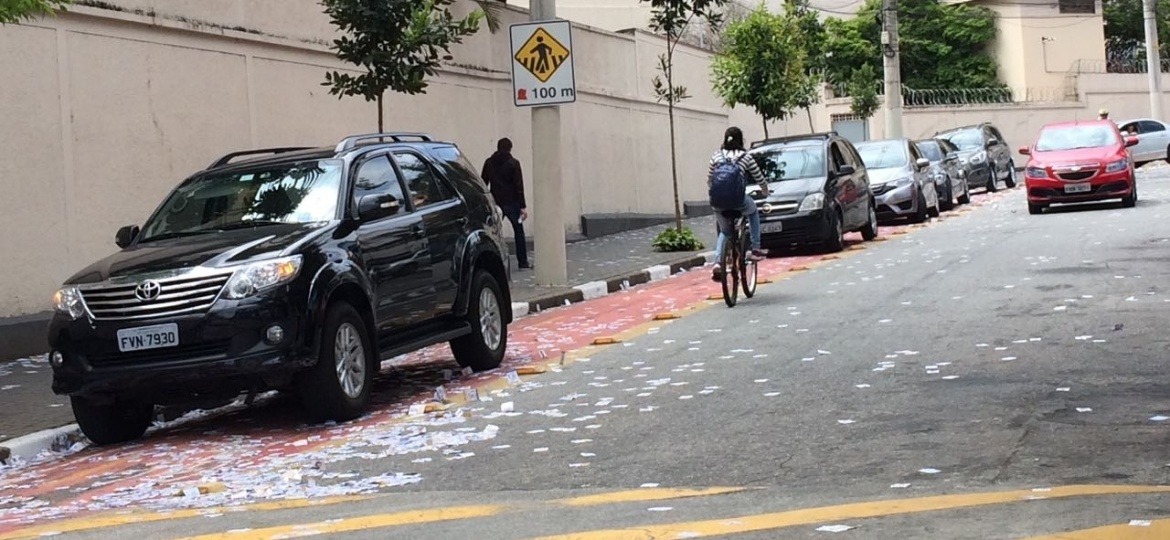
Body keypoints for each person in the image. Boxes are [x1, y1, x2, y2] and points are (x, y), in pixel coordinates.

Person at [709, 127, 769, 281]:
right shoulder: (746, 157)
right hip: (738, 201)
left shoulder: (716, 156)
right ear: (741, 140)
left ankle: (717, 262)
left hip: (718, 203)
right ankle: (755, 247)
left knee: (725, 231)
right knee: (753, 211)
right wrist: (765, 190)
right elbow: (759, 177)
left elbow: (710, 180)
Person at [481, 137, 530, 269]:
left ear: (498, 147)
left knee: (493, 233)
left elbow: (483, 183)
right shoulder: (514, 163)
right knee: (518, 231)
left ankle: (493, 264)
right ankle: (523, 262)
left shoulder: (489, 163)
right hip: (513, 202)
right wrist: (523, 206)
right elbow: (519, 186)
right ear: (510, 148)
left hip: (495, 202)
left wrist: (486, 201)